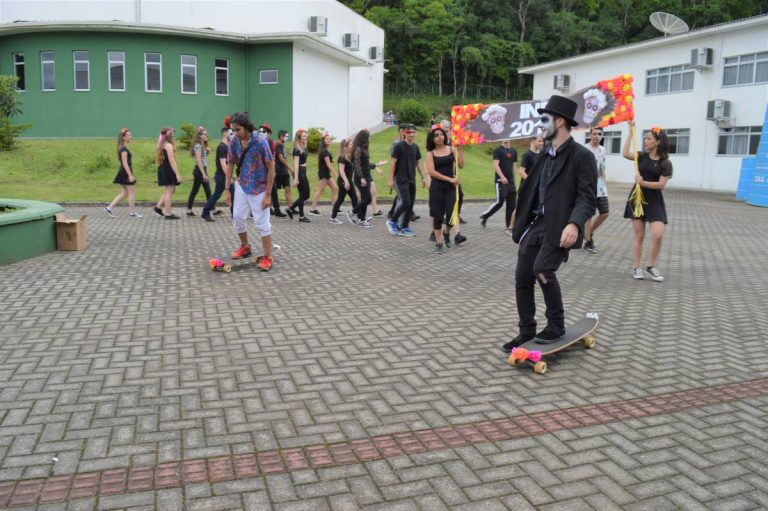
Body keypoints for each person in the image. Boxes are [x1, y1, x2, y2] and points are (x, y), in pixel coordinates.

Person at [502, 95, 596, 353]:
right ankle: (526, 331)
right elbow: (532, 188)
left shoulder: (582, 156)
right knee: (523, 276)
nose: (540, 125)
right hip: (538, 223)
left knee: (542, 269)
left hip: (561, 226)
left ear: (560, 121)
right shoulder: (545, 154)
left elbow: (587, 198)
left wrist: (574, 224)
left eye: (544, 119)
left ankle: (556, 325)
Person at [223, 111, 275, 272]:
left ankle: (268, 257)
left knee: (262, 223)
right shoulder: (234, 141)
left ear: (246, 127)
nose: (235, 133)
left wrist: (268, 194)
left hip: (260, 188)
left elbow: (271, 167)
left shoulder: (260, 141)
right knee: (237, 217)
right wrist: (227, 189)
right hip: (242, 184)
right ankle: (245, 246)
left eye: (238, 129)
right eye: (233, 130)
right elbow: (230, 164)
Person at [622, 122, 672, 282]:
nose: (646, 141)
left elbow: (661, 185)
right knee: (639, 235)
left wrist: (643, 182)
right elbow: (625, 153)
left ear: (658, 142)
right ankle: (637, 267)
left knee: (658, 234)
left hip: (654, 200)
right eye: (645, 138)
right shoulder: (641, 156)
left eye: (649, 139)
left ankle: (651, 266)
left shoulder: (665, 162)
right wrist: (630, 133)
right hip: (637, 199)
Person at [425, 126, 463, 252]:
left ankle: (446, 232)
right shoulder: (430, 153)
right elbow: (432, 172)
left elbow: (461, 165)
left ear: (444, 136)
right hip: (437, 187)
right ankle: (439, 242)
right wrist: (450, 179)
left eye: (441, 134)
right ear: (432, 139)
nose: (439, 137)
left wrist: (460, 149)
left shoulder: (452, 149)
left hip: (450, 188)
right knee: (438, 215)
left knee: (452, 214)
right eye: (436, 135)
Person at [387, 123, 427, 237]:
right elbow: (393, 163)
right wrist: (391, 179)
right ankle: (392, 221)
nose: (411, 134)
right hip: (400, 179)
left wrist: (423, 177)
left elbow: (418, 163)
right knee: (405, 202)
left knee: (410, 204)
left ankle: (404, 227)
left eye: (413, 132)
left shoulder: (415, 147)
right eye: (409, 132)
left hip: (411, 179)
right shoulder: (399, 146)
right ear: (405, 133)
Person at [510, 135, 544, 235]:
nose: (541, 143)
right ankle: (511, 227)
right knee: (520, 207)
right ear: (533, 141)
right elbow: (521, 171)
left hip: (535, 188)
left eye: (542, 141)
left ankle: (526, 227)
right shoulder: (527, 155)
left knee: (531, 207)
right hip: (526, 187)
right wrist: (531, 181)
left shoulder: (541, 155)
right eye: (539, 141)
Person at [480, 139, 517, 229]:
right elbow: (496, 165)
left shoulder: (513, 151)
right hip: (500, 181)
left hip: (511, 182)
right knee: (500, 201)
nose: (506, 140)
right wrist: (502, 177)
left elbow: (514, 165)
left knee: (512, 205)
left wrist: (513, 178)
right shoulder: (498, 150)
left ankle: (509, 226)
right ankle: (485, 215)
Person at [583, 127, 609, 253]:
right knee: (589, 215)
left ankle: (588, 233)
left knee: (605, 213)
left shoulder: (602, 149)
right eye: (594, 134)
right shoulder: (584, 149)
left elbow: (603, 167)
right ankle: (588, 242)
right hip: (588, 186)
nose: (597, 136)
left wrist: (605, 183)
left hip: (601, 187)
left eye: (599, 134)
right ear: (590, 135)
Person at [104, 127, 141, 218]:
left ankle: (109, 208)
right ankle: (132, 213)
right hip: (125, 172)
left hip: (123, 171)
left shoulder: (123, 148)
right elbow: (125, 163)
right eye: (129, 135)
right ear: (123, 137)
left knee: (124, 192)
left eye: (131, 135)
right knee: (132, 192)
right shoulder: (123, 149)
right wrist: (130, 175)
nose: (131, 137)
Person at [201, 127, 231, 222]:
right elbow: (223, 164)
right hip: (222, 176)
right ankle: (205, 212)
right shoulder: (221, 147)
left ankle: (235, 214)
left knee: (218, 195)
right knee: (218, 195)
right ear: (225, 134)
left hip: (224, 175)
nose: (232, 135)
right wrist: (229, 177)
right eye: (230, 133)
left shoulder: (228, 146)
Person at [348, 129, 377, 228]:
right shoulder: (358, 149)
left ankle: (362, 220)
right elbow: (357, 165)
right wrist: (361, 178)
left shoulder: (364, 148)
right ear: (364, 138)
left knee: (365, 199)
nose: (370, 138)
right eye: (369, 136)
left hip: (366, 176)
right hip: (360, 178)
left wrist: (376, 164)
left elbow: (366, 164)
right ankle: (352, 212)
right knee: (368, 199)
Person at [154, 127, 182, 220]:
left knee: (169, 190)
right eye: (172, 133)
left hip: (163, 168)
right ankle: (168, 213)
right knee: (169, 191)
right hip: (168, 169)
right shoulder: (168, 145)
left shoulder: (161, 144)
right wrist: (177, 174)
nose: (173, 135)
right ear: (168, 135)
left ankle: (158, 207)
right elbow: (171, 160)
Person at [259, 124, 287, 218]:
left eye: (264, 131)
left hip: (269, 169)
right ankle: (255, 210)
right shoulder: (256, 142)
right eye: (260, 131)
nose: (261, 133)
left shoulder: (273, 144)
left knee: (273, 189)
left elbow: (273, 158)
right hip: (259, 170)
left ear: (269, 133)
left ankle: (277, 209)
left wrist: (273, 171)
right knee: (259, 190)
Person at [308, 132, 339, 216]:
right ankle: (312, 210)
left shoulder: (326, 150)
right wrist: (336, 174)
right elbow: (328, 164)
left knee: (335, 188)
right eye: (326, 139)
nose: (328, 140)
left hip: (327, 173)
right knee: (319, 190)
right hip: (324, 173)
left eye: (329, 139)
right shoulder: (324, 151)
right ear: (323, 140)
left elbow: (329, 164)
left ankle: (335, 208)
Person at [186, 126, 212, 217]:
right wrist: (204, 174)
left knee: (204, 190)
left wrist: (207, 152)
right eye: (205, 134)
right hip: (199, 170)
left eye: (207, 134)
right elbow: (198, 160)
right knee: (200, 190)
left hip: (202, 169)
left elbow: (202, 158)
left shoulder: (202, 145)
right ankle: (211, 209)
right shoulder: (198, 146)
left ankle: (189, 210)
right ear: (200, 136)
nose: (206, 136)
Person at [330, 138, 357, 224]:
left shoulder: (351, 156)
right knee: (340, 199)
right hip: (343, 181)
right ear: (346, 147)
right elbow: (341, 171)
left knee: (354, 198)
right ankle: (333, 217)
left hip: (349, 181)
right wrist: (346, 181)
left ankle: (356, 215)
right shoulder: (342, 157)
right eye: (351, 144)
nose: (352, 146)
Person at [287, 128, 311, 223]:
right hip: (299, 173)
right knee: (303, 194)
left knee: (306, 195)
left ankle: (291, 208)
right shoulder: (297, 149)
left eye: (306, 136)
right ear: (299, 137)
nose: (305, 137)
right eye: (304, 136)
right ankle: (301, 216)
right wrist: (296, 178)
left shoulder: (302, 147)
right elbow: (296, 165)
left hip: (303, 172)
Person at [273, 129, 293, 218]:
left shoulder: (283, 146)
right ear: (281, 136)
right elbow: (281, 158)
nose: (286, 138)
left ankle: (290, 208)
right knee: (275, 190)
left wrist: (288, 168)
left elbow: (285, 158)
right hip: (278, 171)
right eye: (286, 136)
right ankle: (275, 209)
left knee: (288, 189)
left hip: (285, 171)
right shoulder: (277, 145)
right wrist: (290, 168)